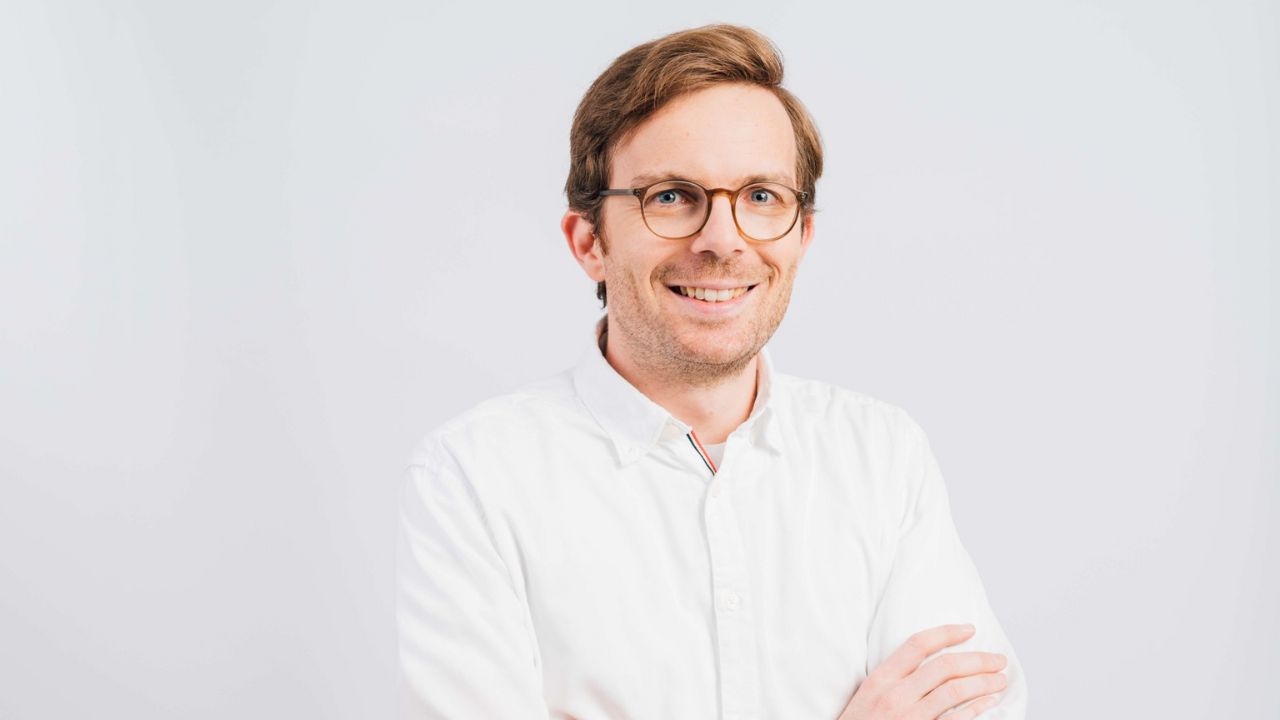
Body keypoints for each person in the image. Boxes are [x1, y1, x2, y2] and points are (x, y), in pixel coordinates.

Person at [397, 24, 1028, 720]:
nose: (723, 241)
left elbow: (982, 707)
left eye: (762, 196)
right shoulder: (477, 476)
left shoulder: (882, 455)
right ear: (590, 242)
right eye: (671, 196)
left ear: (802, 235)